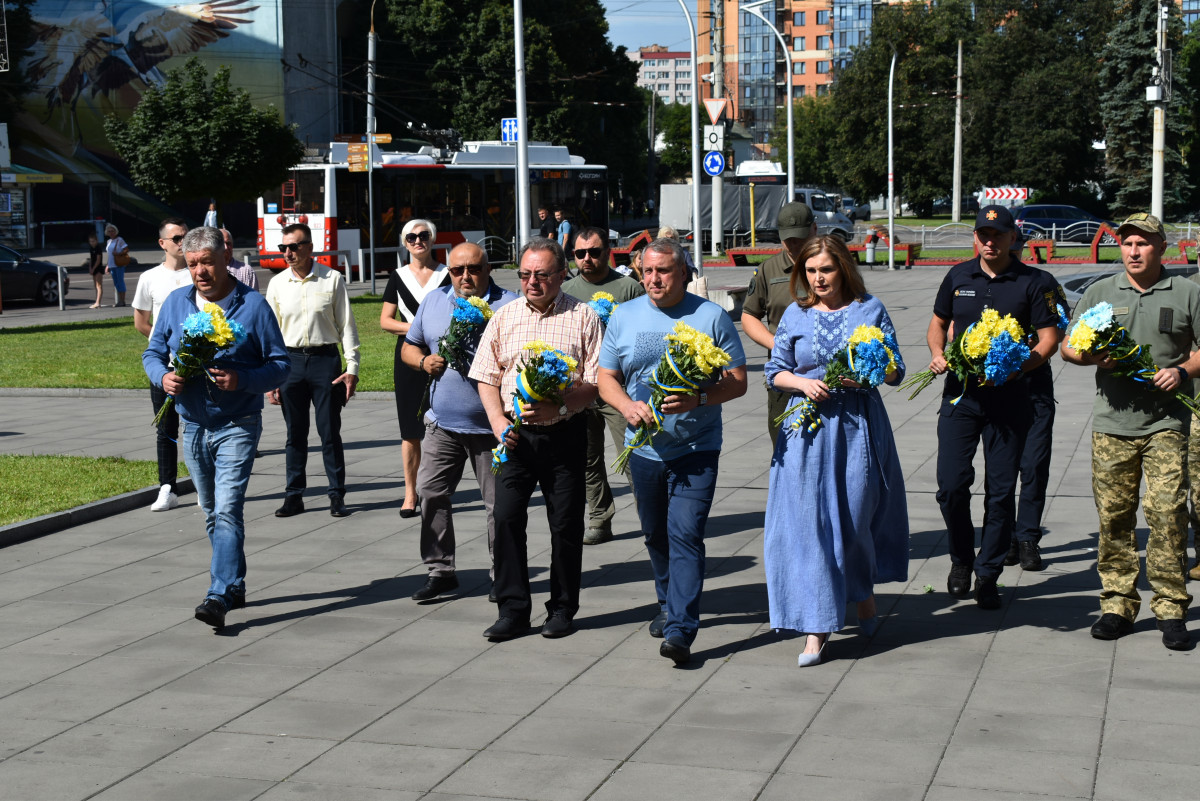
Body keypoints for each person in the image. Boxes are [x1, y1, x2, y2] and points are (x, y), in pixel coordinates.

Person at [598, 238, 748, 665]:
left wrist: (698, 399)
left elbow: (738, 381)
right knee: (655, 534)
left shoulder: (710, 316)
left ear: (683, 273)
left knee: (686, 532)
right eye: (647, 271)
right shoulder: (624, 316)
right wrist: (627, 406)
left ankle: (681, 628)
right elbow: (606, 377)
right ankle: (667, 602)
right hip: (643, 449)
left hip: (696, 447)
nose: (654, 278)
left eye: (663, 270)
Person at [762, 236, 908, 667]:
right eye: (810, 271)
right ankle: (817, 628)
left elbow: (896, 370)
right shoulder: (796, 313)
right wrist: (802, 383)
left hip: (857, 427)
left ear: (843, 267)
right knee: (810, 525)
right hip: (805, 430)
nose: (818, 279)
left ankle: (862, 595)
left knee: (855, 519)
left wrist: (869, 373)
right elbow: (775, 371)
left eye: (825, 269)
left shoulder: (870, 309)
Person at [1061, 212, 1200, 650]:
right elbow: (1068, 347)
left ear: (1161, 248)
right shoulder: (1100, 292)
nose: (1134, 251)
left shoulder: (1187, 292)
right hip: (1113, 424)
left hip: (1167, 422)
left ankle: (1171, 607)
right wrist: (1092, 357)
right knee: (1114, 517)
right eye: (1127, 243)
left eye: (1143, 243)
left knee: (1167, 514)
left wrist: (1182, 370)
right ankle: (1118, 604)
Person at [142, 227, 290, 629]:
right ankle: (235, 583)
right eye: (192, 264)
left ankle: (218, 594)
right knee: (211, 511)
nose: (200, 272)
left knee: (227, 508)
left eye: (207, 262)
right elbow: (153, 352)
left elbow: (280, 364)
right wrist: (163, 377)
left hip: (238, 423)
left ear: (225, 258)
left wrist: (242, 380)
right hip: (192, 424)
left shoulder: (253, 306)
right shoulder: (176, 303)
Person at [469, 237, 603, 641]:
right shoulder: (504, 316)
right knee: (506, 518)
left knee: (565, 525)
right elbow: (486, 375)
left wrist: (560, 407)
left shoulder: (583, 316)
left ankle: (561, 609)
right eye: (525, 274)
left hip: (565, 435)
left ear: (562, 275)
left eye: (542, 275)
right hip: (515, 438)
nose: (532, 282)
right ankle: (512, 610)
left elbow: (596, 383)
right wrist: (496, 420)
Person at [925, 205, 1060, 609]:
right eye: (983, 234)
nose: (989, 242)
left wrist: (1018, 367)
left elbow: (1048, 340)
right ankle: (961, 559)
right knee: (951, 486)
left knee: (1000, 493)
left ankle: (988, 573)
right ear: (975, 237)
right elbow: (938, 323)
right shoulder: (958, 276)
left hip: (1009, 399)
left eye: (998, 235)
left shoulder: (1035, 281)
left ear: (1012, 238)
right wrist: (937, 353)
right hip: (961, 396)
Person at [402, 243, 518, 601]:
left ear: (488, 269)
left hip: (492, 427)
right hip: (443, 424)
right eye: (457, 270)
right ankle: (440, 570)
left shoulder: (510, 304)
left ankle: (502, 575)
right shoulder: (434, 301)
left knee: (497, 507)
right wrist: (423, 362)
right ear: (448, 272)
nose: (465, 276)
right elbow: (409, 346)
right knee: (429, 493)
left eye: (474, 269)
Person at [266, 222, 360, 518]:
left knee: (329, 432)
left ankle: (337, 495)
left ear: (309, 247)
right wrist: (270, 374)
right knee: (295, 434)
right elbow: (271, 333)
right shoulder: (277, 283)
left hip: (325, 361)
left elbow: (347, 325)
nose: (288, 253)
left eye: (294, 246)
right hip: (290, 363)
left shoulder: (332, 279)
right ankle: (294, 496)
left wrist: (352, 366)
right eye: (283, 247)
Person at [561, 226, 646, 545]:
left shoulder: (629, 288)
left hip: (619, 390)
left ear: (608, 252)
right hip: (579, 390)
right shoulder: (566, 290)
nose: (587, 258)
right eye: (580, 253)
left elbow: (643, 335)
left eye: (594, 252)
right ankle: (599, 519)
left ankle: (650, 516)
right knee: (587, 459)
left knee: (634, 456)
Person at [381, 219, 451, 517]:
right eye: (411, 237)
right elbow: (385, 320)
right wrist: (416, 328)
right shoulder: (397, 277)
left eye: (423, 235)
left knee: (446, 425)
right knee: (410, 428)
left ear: (432, 239)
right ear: (405, 242)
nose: (418, 241)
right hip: (408, 355)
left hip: (442, 354)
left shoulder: (447, 274)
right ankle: (410, 493)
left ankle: (438, 489)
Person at [741, 201, 817, 447]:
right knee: (785, 446)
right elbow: (749, 315)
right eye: (788, 239)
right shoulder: (768, 270)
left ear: (814, 230)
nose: (794, 245)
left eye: (800, 238)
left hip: (826, 374)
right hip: (784, 375)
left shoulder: (831, 266)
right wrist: (776, 344)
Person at [131, 216, 194, 512]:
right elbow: (141, 322)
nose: (183, 243)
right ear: (162, 243)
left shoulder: (197, 273)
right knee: (166, 428)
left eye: (186, 237)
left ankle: (204, 482)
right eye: (177, 238)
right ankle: (167, 487)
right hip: (164, 367)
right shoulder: (150, 278)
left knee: (199, 426)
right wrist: (165, 344)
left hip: (198, 365)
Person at [104, 224, 129, 307]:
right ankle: (119, 301)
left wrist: (118, 253)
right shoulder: (108, 241)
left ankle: (122, 301)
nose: (111, 233)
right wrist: (107, 265)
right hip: (112, 265)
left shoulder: (120, 240)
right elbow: (109, 255)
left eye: (112, 231)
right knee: (116, 283)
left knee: (120, 282)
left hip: (119, 264)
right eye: (109, 231)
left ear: (116, 231)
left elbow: (126, 249)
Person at [86, 231, 105, 309]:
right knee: (95, 285)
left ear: (96, 241)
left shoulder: (98, 248)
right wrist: (90, 268)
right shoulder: (91, 248)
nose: (92, 243)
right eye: (90, 241)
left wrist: (93, 268)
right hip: (93, 268)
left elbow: (98, 260)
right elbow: (91, 259)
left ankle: (98, 303)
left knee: (99, 285)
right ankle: (96, 301)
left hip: (98, 268)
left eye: (93, 241)